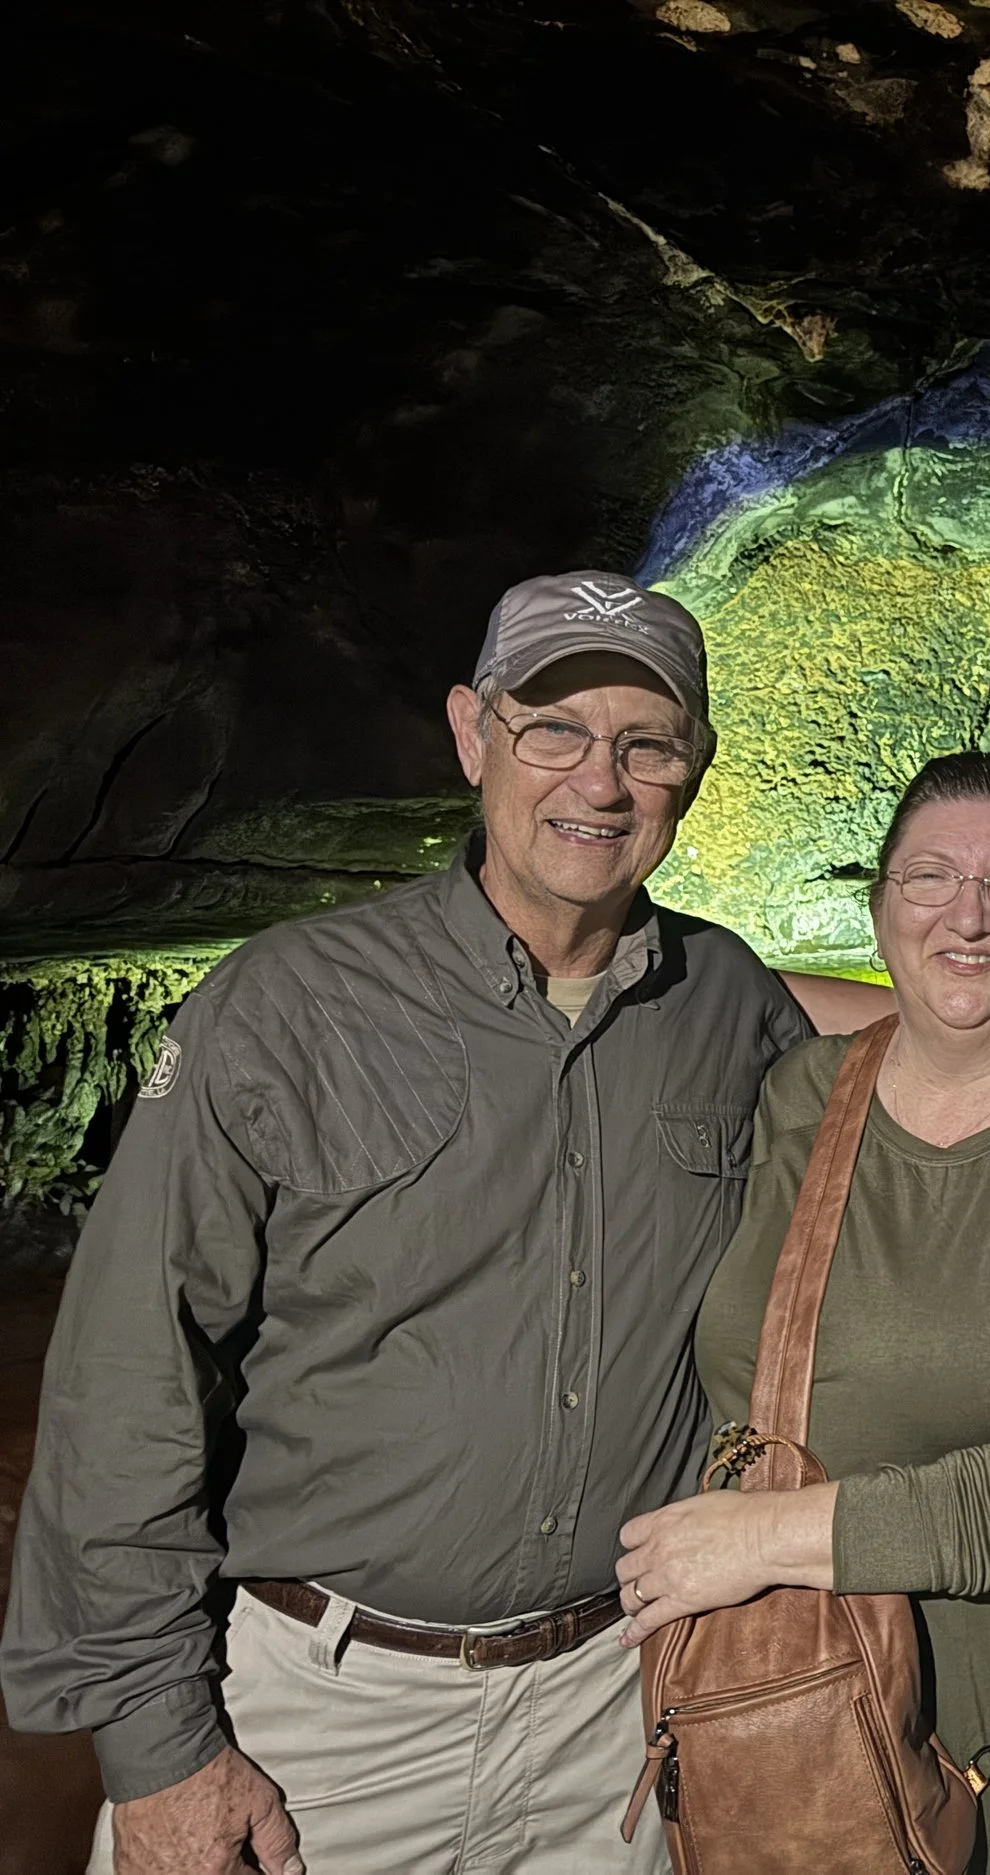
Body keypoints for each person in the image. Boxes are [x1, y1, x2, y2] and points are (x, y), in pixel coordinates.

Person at [1, 571, 887, 1873]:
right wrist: (160, 1744)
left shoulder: (726, 1004)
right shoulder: (287, 1006)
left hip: (613, 1709)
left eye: (648, 743)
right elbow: (128, 1375)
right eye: (556, 730)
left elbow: (903, 1056)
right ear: (475, 735)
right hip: (321, 1717)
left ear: (693, 770)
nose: (600, 779)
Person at [613, 751, 990, 1875]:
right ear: (879, 909)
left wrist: (767, 1538)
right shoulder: (803, 1095)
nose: (968, 916)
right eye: (928, 877)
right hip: (783, 1716)